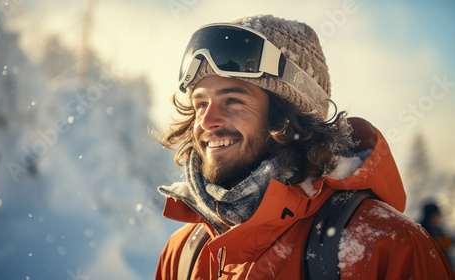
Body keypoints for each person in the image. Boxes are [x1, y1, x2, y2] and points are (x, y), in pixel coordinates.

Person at [154, 14, 455, 279]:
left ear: (289, 116)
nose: (206, 121)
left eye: (233, 101)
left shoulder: (385, 247)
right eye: (200, 103)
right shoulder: (182, 254)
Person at [420, 202, 454, 267]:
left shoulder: (437, 228)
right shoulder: (422, 230)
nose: (439, 217)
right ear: (430, 216)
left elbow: (444, 243)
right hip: (430, 264)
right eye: (436, 214)